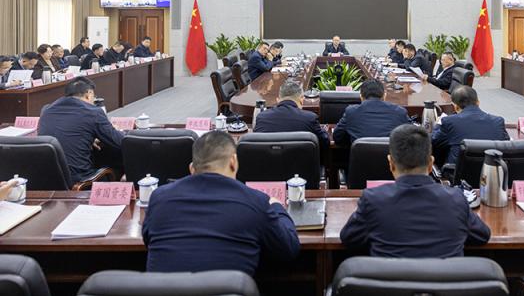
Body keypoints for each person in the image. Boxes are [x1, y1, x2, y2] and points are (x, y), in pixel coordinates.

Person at [142, 131, 300, 274]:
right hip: (228, 291)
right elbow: (288, 248)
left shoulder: (158, 198)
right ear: (233, 162)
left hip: (164, 290)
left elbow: (149, 239)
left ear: (192, 169)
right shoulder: (255, 201)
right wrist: (277, 206)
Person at [340, 124, 490, 258]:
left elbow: (348, 238)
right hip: (446, 281)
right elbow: (482, 235)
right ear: (431, 164)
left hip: (391, 282)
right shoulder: (456, 199)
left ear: (391, 163)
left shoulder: (373, 199)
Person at [38, 77, 124, 183]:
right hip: (79, 180)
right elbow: (119, 142)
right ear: (89, 94)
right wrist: (116, 130)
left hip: (47, 178)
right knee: (118, 164)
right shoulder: (92, 112)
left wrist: (89, 137)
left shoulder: (46, 110)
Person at [432, 86, 509, 167]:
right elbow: (507, 145)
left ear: (455, 107)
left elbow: (433, 142)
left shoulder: (449, 122)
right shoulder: (498, 122)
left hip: (457, 173)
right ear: (478, 102)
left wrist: (438, 124)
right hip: (491, 172)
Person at [333, 79, 411, 147]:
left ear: (361, 97)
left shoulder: (351, 112)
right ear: (384, 95)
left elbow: (337, 137)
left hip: (360, 159)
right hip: (390, 158)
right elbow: (412, 137)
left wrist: (353, 142)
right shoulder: (399, 112)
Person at [254, 80, 329, 147]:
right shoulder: (310, 118)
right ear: (302, 100)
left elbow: (256, 144)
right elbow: (325, 142)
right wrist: (324, 131)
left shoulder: (262, 117)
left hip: (269, 158)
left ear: (278, 100)